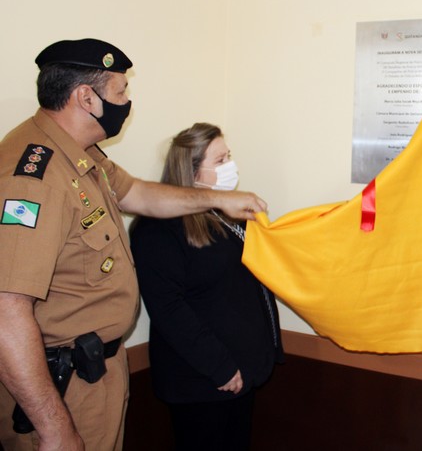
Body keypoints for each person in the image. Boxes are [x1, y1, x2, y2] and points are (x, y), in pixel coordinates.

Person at [0, 38, 266, 451]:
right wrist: (54, 428)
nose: (127, 102)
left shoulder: (85, 156)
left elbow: (139, 194)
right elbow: (6, 312)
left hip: (97, 371)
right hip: (58, 386)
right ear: (86, 98)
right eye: (121, 91)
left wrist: (215, 199)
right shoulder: (33, 178)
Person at [129, 123, 283, 451]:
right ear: (191, 170)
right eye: (220, 160)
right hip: (202, 381)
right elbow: (168, 309)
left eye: (229, 156)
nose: (231, 166)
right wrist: (221, 367)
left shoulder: (226, 215)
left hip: (243, 372)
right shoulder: (158, 228)